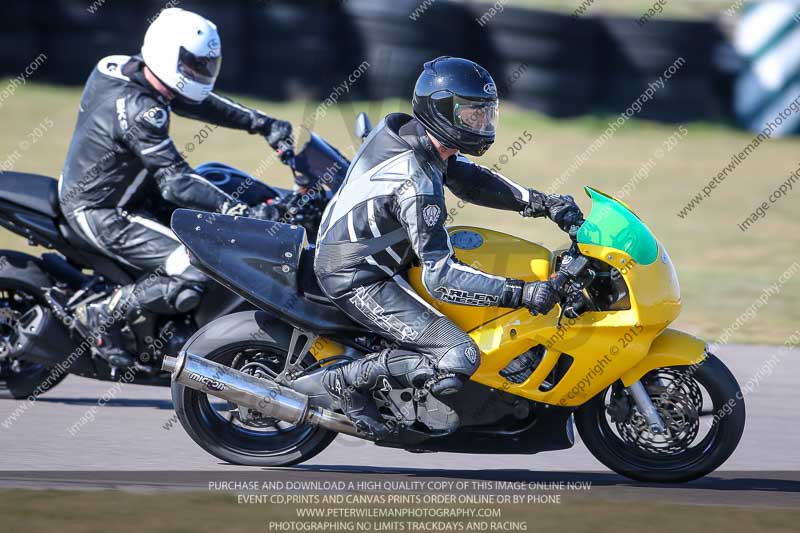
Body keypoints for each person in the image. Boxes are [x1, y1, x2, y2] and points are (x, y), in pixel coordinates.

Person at [312, 57, 583, 438]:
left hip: (379, 254)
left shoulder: (412, 132)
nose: (483, 125)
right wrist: (521, 292)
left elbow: (468, 179)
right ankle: (348, 381)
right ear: (440, 110)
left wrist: (541, 202)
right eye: (472, 115)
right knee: (459, 353)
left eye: (487, 115)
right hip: (357, 275)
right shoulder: (417, 184)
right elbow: (441, 277)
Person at [58, 8, 294, 369]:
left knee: (208, 206)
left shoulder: (121, 67)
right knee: (196, 268)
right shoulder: (140, 111)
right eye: (193, 65)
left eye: (206, 65)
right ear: (166, 54)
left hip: (130, 190)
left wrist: (260, 123)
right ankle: (99, 315)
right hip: (102, 211)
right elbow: (176, 182)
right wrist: (240, 212)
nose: (200, 74)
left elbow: (195, 102)